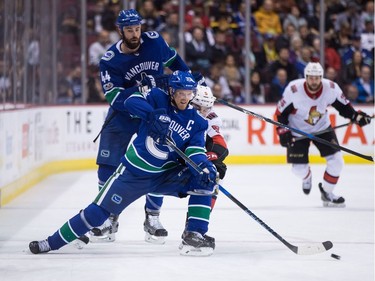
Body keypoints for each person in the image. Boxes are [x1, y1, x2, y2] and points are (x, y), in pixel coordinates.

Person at [29, 70, 218, 257]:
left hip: (164, 176)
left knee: (205, 180)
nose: (184, 98)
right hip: (132, 174)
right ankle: (50, 243)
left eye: (188, 93)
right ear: (171, 91)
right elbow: (130, 101)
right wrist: (153, 115)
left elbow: (195, 151)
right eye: (180, 93)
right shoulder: (157, 98)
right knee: (97, 214)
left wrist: (204, 166)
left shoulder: (197, 122)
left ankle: (194, 233)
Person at [92, 9, 190, 242]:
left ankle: (152, 218)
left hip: (156, 113)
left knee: (160, 162)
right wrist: (140, 90)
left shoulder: (154, 42)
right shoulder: (110, 60)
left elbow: (175, 61)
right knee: (107, 165)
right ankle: (107, 218)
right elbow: (114, 98)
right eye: (129, 30)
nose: (135, 33)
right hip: (123, 115)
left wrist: (189, 79)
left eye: (137, 28)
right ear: (119, 30)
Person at [275, 62, 372, 207]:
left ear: (321, 77)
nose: (314, 81)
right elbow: (280, 114)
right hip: (297, 130)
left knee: (337, 161)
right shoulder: (294, 89)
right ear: (306, 77)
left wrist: (356, 117)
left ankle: (327, 193)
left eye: (317, 78)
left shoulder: (331, 88)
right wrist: (283, 132)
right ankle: (307, 177)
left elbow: (344, 107)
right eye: (311, 78)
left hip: (322, 128)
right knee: (298, 170)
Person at [144, 85, 228, 244]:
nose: (203, 111)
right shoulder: (174, 112)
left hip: (192, 156)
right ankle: (152, 216)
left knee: (215, 174)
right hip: (169, 155)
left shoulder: (210, 118)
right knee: (158, 168)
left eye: (206, 107)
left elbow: (220, 145)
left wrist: (208, 160)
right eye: (198, 106)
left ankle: (193, 228)